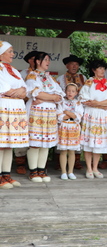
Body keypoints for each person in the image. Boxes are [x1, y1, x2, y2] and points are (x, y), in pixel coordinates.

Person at [25, 52, 65, 182]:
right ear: (38, 61)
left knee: (46, 143)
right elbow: (34, 92)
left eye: (49, 60)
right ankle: (33, 171)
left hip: (49, 113)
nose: (48, 62)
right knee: (36, 143)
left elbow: (60, 94)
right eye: (45, 59)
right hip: (37, 112)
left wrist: (49, 97)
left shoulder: (50, 78)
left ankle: (42, 170)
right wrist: (51, 97)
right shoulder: (32, 76)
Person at [79, 59, 107, 179]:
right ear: (94, 70)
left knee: (99, 143)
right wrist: (101, 104)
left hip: (102, 115)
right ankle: (89, 168)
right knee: (89, 142)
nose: (102, 71)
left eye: (103, 69)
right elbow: (84, 99)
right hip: (91, 115)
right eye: (100, 68)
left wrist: (98, 103)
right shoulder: (89, 83)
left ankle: (95, 167)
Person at [0, 41, 29, 189]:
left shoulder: (14, 70)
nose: (13, 54)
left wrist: (21, 91)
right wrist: (17, 92)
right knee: (1, 144)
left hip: (15, 109)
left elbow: (24, 88)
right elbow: (5, 89)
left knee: (8, 145)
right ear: (2, 53)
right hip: (4, 108)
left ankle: (6, 174)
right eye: (10, 51)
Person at [57, 55, 87, 170]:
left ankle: (76, 161)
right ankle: (60, 162)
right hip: (64, 106)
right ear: (67, 65)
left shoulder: (83, 77)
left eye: (76, 64)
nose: (74, 66)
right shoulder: (60, 78)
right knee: (63, 137)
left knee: (76, 136)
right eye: (72, 64)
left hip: (78, 108)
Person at [14, 50, 39, 175]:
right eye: (33, 59)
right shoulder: (22, 73)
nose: (35, 61)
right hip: (24, 107)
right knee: (22, 133)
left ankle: (35, 165)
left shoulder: (43, 75)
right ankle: (20, 162)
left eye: (37, 59)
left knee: (36, 135)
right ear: (29, 60)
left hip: (39, 110)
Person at [57, 83, 84, 180]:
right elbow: (60, 116)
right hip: (64, 127)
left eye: (73, 91)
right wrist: (71, 115)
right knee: (63, 150)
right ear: (65, 91)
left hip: (74, 127)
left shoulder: (78, 103)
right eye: (68, 91)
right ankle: (63, 171)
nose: (70, 93)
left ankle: (70, 171)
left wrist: (67, 112)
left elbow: (79, 116)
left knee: (72, 151)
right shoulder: (61, 102)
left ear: (76, 93)